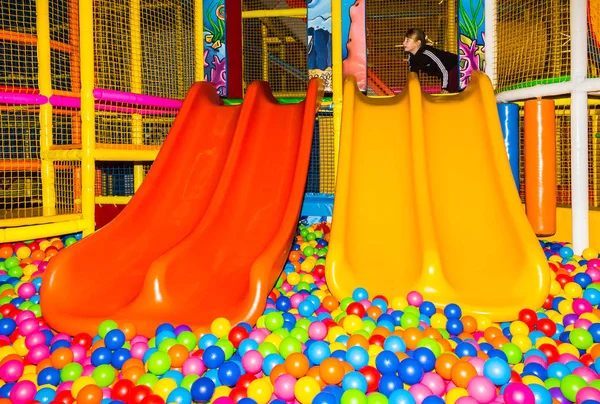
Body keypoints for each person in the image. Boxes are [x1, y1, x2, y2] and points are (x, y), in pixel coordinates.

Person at [400, 28, 459, 93]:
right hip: (447, 72)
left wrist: (445, 87)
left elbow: (444, 70)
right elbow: (413, 74)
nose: (403, 43)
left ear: (418, 43)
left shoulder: (427, 53)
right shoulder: (411, 57)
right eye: (404, 40)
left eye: (407, 40)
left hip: (456, 66)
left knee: (451, 90)